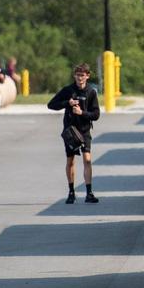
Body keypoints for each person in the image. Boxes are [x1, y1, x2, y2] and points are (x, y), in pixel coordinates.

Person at [47, 63, 102, 204]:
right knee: (70, 161)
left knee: (87, 160)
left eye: (82, 75)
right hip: (70, 131)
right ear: (74, 76)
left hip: (84, 131)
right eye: (77, 75)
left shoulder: (91, 92)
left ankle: (89, 193)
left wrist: (82, 113)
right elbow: (51, 105)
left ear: (87, 76)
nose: (80, 78)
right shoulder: (68, 90)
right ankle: (71, 192)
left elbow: (96, 114)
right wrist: (67, 103)